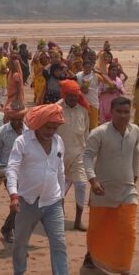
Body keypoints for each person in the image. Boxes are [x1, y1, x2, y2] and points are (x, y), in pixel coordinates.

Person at [5, 104, 85, 275]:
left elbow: (60, 171)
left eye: (54, 128)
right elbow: (12, 169)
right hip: (27, 201)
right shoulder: (22, 142)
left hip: (52, 202)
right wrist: (13, 195)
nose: (50, 132)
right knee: (21, 242)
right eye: (47, 127)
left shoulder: (58, 142)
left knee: (59, 243)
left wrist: (60, 197)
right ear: (38, 125)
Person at [83, 97, 139, 275]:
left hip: (127, 190)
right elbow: (87, 157)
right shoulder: (99, 133)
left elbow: (136, 153)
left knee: (128, 230)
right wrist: (93, 181)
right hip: (103, 191)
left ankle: (125, 271)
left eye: (126, 112)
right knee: (98, 229)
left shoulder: (134, 131)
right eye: (119, 112)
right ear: (111, 112)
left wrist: (135, 177)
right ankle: (92, 255)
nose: (123, 116)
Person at [56, 80, 90, 231]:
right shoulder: (56, 109)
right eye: (69, 96)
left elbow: (86, 133)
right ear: (64, 94)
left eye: (75, 96)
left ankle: (78, 220)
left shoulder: (83, 111)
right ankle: (59, 218)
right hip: (58, 155)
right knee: (59, 189)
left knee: (81, 185)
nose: (73, 99)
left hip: (78, 154)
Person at [0, 102, 28, 242]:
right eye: (14, 119)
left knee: (24, 202)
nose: (17, 122)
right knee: (17, 200)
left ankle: (7, 227)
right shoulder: (1, 132)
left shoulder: (29, 131)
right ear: (9, 118)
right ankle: (10, 229)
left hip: (26, 171)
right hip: (9, 172)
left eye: (20, 119)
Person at [76, 59, 100, 130]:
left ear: (92, 67)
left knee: (93, 126)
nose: (87, 69)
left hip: (93, 103)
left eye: (89, 67)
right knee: (82, 126)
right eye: (85, 67)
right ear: (83, 67)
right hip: (81, 103)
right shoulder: (78, 75)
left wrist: (99, 72)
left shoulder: (96, 76)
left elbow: (108, 81)